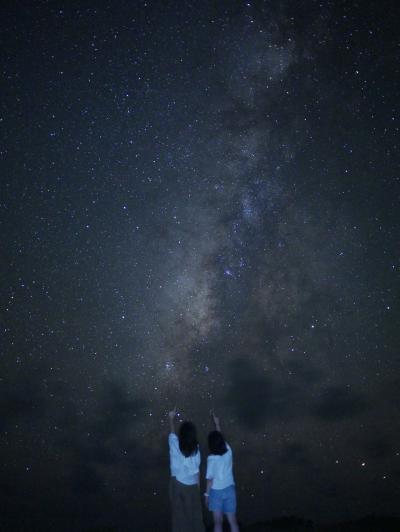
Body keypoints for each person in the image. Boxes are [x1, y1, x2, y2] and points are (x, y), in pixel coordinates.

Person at [168, 407, 205, 532]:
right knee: (196, 520)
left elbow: (172, 434)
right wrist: (198, 490)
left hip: (177, 485)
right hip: (192, 487)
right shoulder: (196, 450)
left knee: (179, 521)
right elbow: (197, 472)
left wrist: (171, 419)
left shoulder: (174, 444)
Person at [205, 411, 239, 532]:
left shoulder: (211, 459)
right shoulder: (229, 451)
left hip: (216, 492)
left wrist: (206, 495)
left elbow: (210, 480)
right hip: (229, 489)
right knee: (232, 521)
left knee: (217, 523)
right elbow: (221, 439)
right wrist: (217, 424)